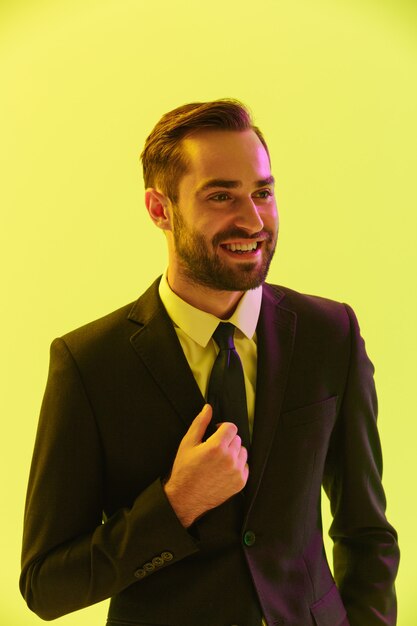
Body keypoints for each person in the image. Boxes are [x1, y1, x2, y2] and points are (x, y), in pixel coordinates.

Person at [20, 99, 399, 626]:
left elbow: (366, 530)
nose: (253, 219)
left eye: (262, 192)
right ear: (160, 209)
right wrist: (174, 506)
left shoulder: (330, 333)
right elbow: (45, 585)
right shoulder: (86, 364)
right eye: (221, 196)